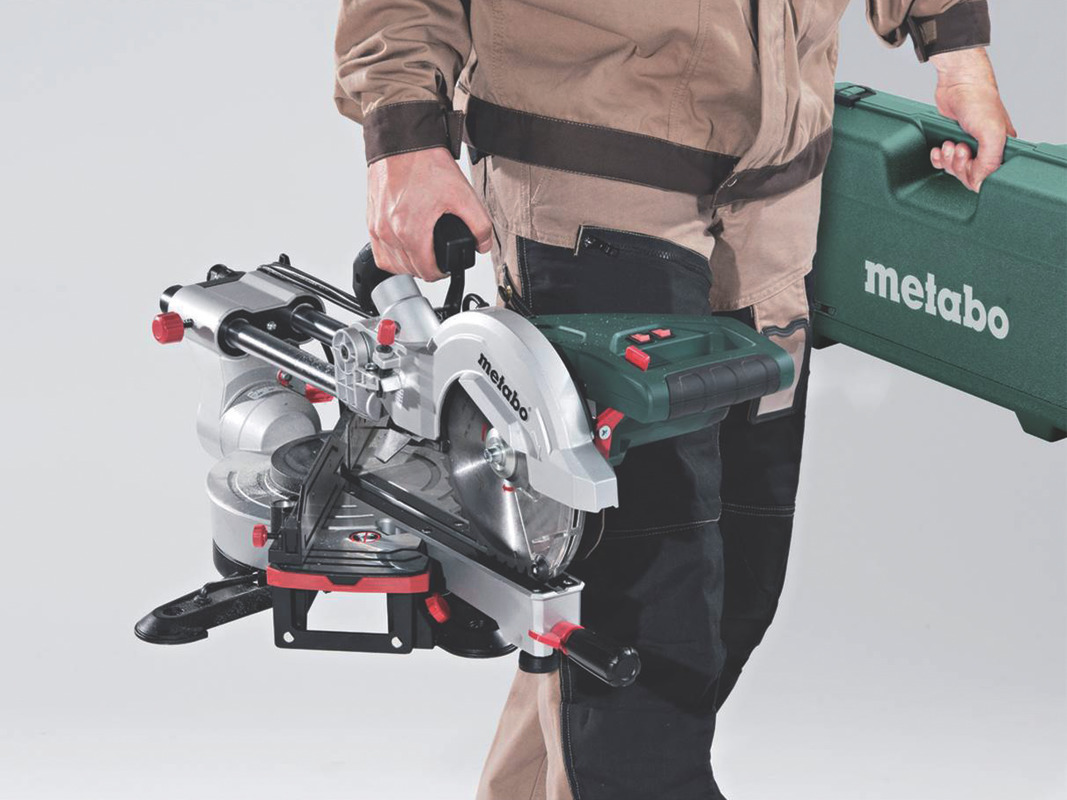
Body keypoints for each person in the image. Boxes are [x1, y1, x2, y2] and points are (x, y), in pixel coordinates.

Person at [333, 1, 1014, 797]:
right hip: (594, 187)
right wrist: (404, 138)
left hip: (776, 200)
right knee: (651, 604)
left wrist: (957, 51)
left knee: (735, 582)